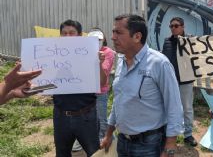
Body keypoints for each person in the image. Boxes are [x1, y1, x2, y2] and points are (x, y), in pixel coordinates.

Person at [100, 14, 183, 157]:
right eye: (113, 32)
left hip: (149, 145)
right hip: (123, 141)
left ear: (137, 37)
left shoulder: (159, 63)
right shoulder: (121, 61)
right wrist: (108, 134)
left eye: (118, 33)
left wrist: (170, 145)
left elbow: (174, 106)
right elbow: (119, 101)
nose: (113, 37)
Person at [54, 19, 106, 157]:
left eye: (72, 33)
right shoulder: (52, 55)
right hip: (60, 115)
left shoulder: (91, 54)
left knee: (94, 153)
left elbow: (102, 82)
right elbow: (43, 83)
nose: (68, 37)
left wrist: (99, 64)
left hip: (86, 115)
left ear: (80, 35)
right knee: (62, 153)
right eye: (64, 33)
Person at [162, 17, 197, 147]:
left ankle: (188, 135)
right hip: (171, 81)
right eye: (171, 26)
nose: (173, 28)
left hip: (186, 81)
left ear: (182, 27)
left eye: (176, 26)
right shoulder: (167, 42)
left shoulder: (191, 41)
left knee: (187, 108)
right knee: (169, 108)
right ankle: (170, 134)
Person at [88, 28, 116, 141]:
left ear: (103, 39)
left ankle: (109, 146)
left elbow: (102, 80)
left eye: (99, 39)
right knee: (89, 122)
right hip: (86, 92)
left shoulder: (108, 52)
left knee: (102, 123)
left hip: (100, 93)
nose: (96, 42)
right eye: (93, 39)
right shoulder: (84, 51)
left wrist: (97, 61)